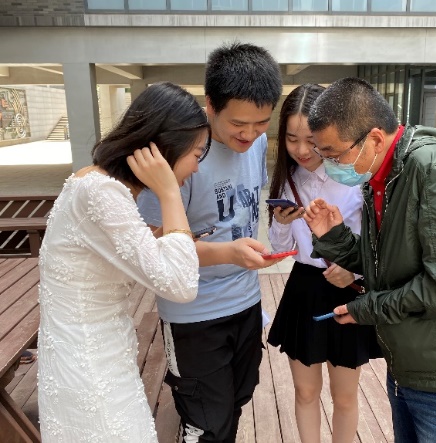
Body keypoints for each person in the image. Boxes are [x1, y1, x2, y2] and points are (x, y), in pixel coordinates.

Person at [303, 77, 436, 443]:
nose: (329, 166)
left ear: (373, 139)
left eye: (334, 155)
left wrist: (367, 308)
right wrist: (333, 237)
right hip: (413, 363)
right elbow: (389, 262)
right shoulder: (384, 175)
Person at [37, 81, 210, 442]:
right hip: (91, 370)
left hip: (90, 356)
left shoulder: (94, 181)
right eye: (197, 153)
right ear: (165, 148)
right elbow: (181, 286)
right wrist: (169, 192)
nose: (197, 167)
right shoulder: (102, 192)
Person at [137, 42, 283, 443]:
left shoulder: (255, 145)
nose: (250, 135)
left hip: (246, 302)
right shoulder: (179, 149)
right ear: (211, 105)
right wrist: (226, 253)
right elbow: (151, 245)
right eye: (239, 124)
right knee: (206, 424)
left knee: (236, 402)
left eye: (261, 123)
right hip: (194, 314)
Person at [266, 83, 381, 443]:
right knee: (305, 392)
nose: (302, 150)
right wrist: (281, 224)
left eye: (311, 140)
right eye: (291, 139)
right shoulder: (289, 179)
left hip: (346, 287)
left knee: (344, 396)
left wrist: (355, 270)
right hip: (304, 287)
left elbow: (377, 242)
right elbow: (281, 247)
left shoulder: (355, 177)